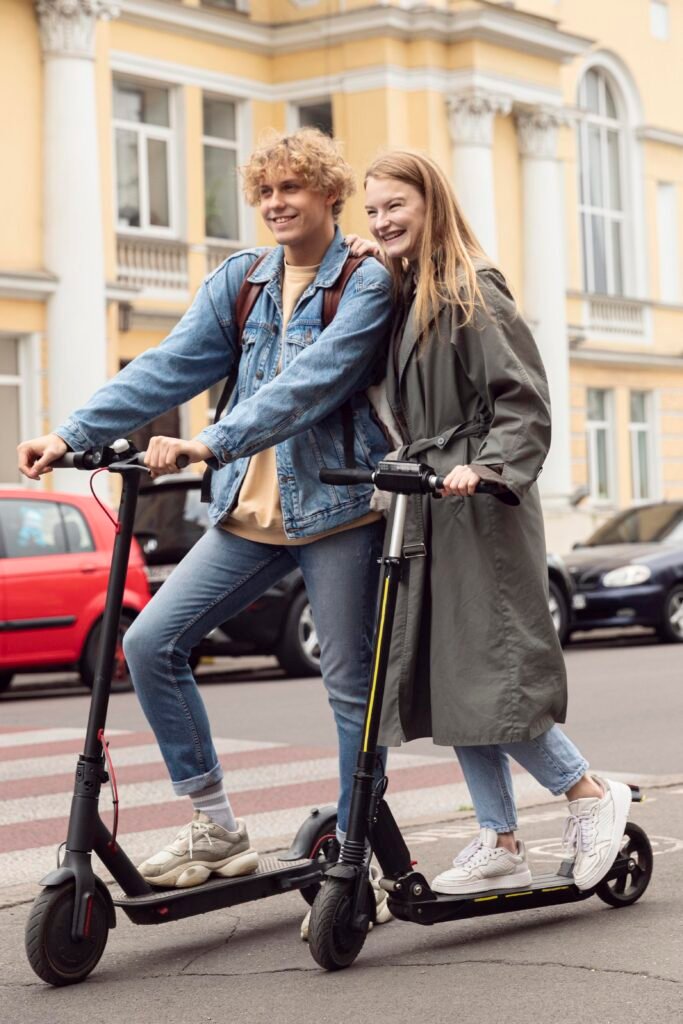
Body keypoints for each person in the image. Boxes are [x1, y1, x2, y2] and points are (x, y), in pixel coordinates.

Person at [17, 128, 393, 890]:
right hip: (246, 517)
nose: (276, 203)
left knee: (351, 689)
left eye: (292, 188)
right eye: (265, 191)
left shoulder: (364, 282)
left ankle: (357, 862)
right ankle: (215, 824)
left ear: (329, 193)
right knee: (151, 643)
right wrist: (70, 432)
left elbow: (312, 383)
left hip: (337, 515)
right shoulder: (242, 279)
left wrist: (207, 443)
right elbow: (169, 364)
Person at [345, 150, 632, 895]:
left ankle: (589, 796)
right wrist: (369, 264)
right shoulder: (410, 295)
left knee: (491, 676)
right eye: (371, 210)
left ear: (430, 201)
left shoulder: (475, 289)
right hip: (432, 504)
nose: (381, 221)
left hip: (478, 505)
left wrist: (491, 466)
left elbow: (523, 399)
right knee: (452, 681)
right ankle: (499, 837)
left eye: (393, 206)